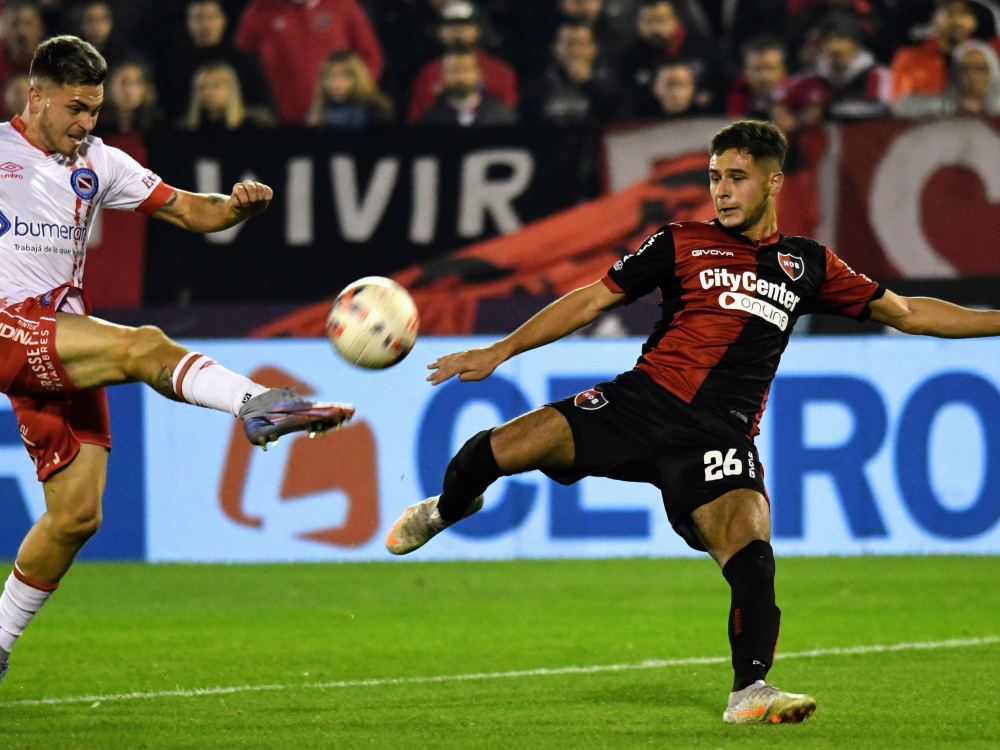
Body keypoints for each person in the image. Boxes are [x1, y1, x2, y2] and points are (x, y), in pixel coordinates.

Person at [385, 118, 1000, 724]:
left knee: (752, 551)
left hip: (717, 435)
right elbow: (593, 297)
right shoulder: (680, 241)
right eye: (714, 178)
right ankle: (447, 509)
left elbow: (911, 313)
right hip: (638, 404)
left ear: (775, 182)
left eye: (736, 177)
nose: (722, 190)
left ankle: (749, 693)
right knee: (489, 450)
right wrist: (502, 350)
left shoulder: (808, 264)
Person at [0, 36, 354, 684]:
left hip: (60, 338)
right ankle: (258, 406)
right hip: (5, 326)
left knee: (78, 516)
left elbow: (191, 210)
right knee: (144, 346)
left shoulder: (99, 161)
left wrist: (235, 209)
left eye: (95, 110)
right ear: (36, 96)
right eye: (75, 108)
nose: (87, 123)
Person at [235, 0, 384, 124]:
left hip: (341, 123)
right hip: (283, 124)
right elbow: (241, 64)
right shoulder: (259, 12)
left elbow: (371, 57)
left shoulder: (343, 6)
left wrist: (357, 96)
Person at [406, 0, 518, 124]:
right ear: (439, 31)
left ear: (478, 30)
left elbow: (508, 118)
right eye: (450, 26)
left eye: (465, 25)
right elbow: (416, 121)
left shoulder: (501, 72)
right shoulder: (427, 74)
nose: (458, 32)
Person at [894, 39, 1000, 117]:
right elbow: (900, 106)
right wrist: (951, 107)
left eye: (981, 69)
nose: (973, 76)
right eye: (965, 69)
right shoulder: (942, 104)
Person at [417, 48, 517, 126]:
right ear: (442, 76)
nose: (460, 77)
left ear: (479, 74)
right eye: (454, 71)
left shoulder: (502, 117)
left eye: (466, 70)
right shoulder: (428, 120)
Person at [306, 51, 394, 129]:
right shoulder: (318, 114)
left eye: (344, 76)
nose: (336, 83)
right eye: (330, 77)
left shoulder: (378, 113)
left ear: (358, 78)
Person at [180, 60, 274, 131]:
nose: (208, 93)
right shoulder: (184, 127)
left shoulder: (256, 124)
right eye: (202, 88)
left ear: (231, 89)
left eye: (216, 86)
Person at [92, 60, 162, 135]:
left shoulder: (157, 129)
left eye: (137, 82)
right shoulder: (93, 126)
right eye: (124, 82)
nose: (130, 90)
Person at [726, 36, 788, 121]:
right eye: (757, 69)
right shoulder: (730, 96)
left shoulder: (799, 103)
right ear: (746, 71)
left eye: (770, 68)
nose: (764, 76)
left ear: (783, 70)